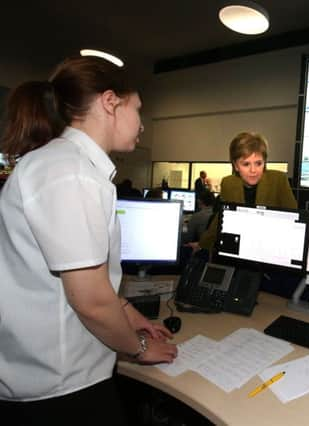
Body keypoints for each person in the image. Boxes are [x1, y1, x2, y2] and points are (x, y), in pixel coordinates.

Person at [0, 56, 178, 425]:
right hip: (60, 391)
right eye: (138, 109)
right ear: (110, 101)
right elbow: (92, 301)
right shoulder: (72, 174)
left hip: (47, 380)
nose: (142, 124)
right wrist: (140, 348)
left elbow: (82, 279)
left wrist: (130, 314)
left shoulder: (61, 165)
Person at [195, 131, 297, 252]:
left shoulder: (278, 180)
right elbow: (221, 219)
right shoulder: (228, 183)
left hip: (272, 249)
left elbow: (294, 220)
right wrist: (202, 244)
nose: (253, 170)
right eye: (246, 164)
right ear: (236, 166)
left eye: (258, 163)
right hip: (241, 250)